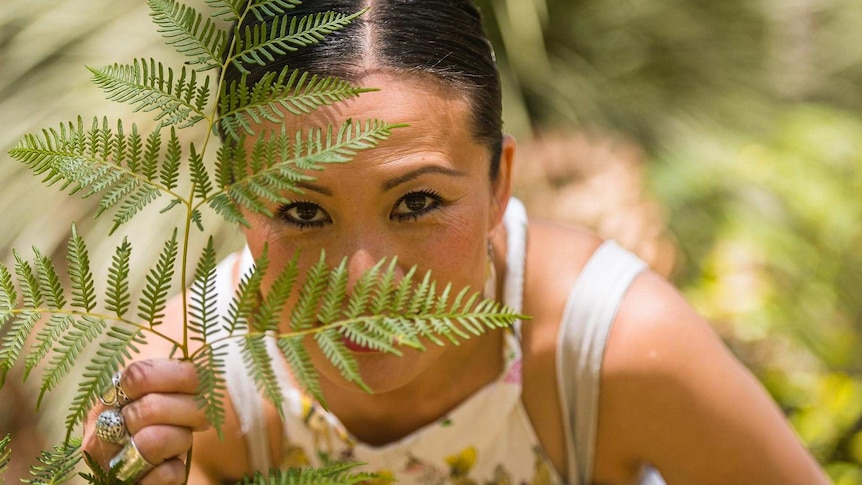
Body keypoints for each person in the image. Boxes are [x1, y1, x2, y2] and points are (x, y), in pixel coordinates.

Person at [82, 1, 830, 483]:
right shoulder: (195, 380)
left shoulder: (609, 349)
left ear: (501, 182)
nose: (363, 277)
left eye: (416, 201)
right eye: (304, 213)